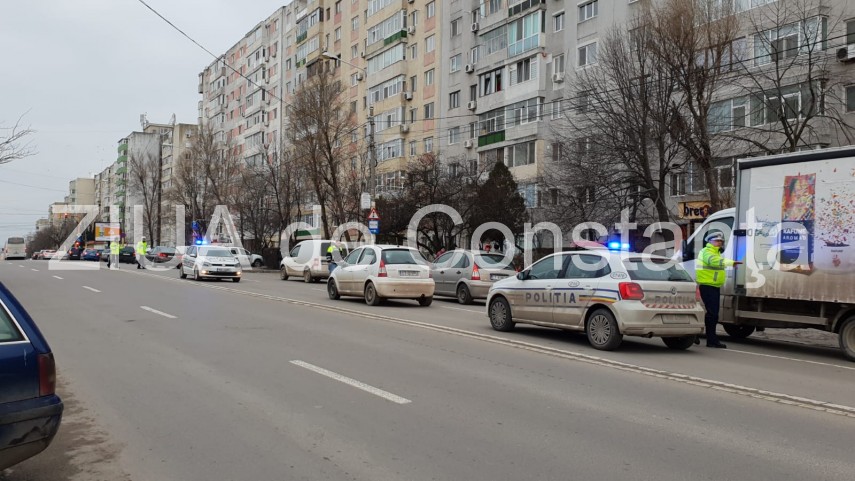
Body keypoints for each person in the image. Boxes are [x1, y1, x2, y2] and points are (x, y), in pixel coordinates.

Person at [696, 232, 742, 348]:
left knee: (712, 313)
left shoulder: (715, 252)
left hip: (713, 286)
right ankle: (711, 340)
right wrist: (731, 263)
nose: (719, 243)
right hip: (708, 286)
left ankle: (698, 335)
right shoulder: (707, 252)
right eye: (717, 241)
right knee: (712, 314)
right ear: (710, 242)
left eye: (721, 241)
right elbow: (714, 261)